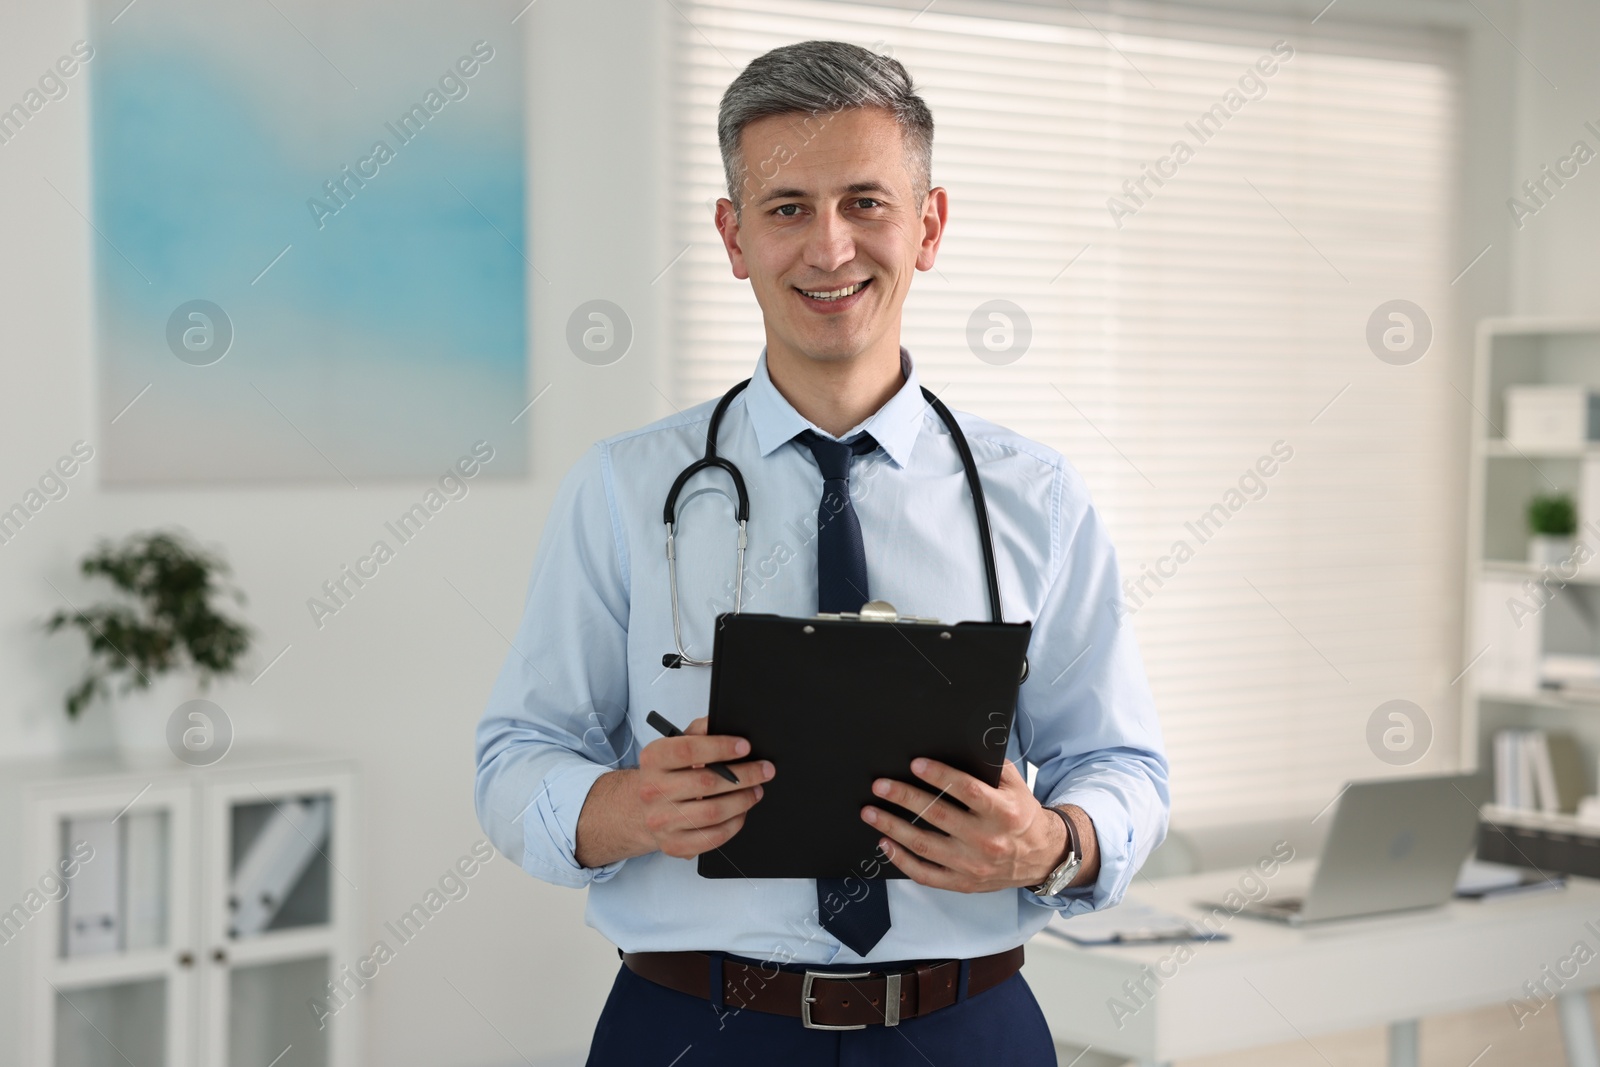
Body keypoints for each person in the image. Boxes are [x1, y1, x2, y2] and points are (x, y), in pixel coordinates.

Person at [474, 38, 1169, 1065]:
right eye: (787, 206)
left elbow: (1123, 763)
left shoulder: (1038, 497)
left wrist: (1054, 842)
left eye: (866, 202)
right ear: (733, 235)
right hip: (690, 1031)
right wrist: (624, 806)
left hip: (966, 1028)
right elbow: (512, 759)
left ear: (927, 226)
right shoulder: (624, 489)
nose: (830, 247)